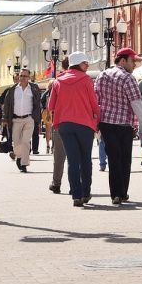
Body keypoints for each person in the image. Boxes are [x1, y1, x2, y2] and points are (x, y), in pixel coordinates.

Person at [95, 47, 142, 206]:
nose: (134, 64)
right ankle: (122, 192)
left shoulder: (102, 75)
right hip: (124, 124)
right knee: (124, 158)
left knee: (113, 157)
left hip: (106, 123)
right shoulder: (128, 78)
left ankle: (115, 194)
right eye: (132, 61)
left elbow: (96, 100)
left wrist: (96, 123)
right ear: (123, 60)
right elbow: (137, 104)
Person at [47, 52, 100, 207]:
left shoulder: (58, 81)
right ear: (77, 64)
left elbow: (51, 106)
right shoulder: (86, 80)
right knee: (85, 160)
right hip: (84, 125)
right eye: (85, 63)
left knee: (72, 160)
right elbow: (93, 103)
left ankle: (76, 195)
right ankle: (85, 192)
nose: (87, 65)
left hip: (64, 125)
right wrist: (98, 117)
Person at [0, 69, 42, 174]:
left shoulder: (34, 88)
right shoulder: (12, 89)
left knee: (25, 141)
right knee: (16, 142)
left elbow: (38, 103)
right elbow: (7, 105)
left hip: (29, 119)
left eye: (25, 76)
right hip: (15, 119)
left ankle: (24, 163)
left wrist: (35, 116)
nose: (22, 78)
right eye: (21, 76)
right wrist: (5, 118)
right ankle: (19, 157)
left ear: (29, 77)